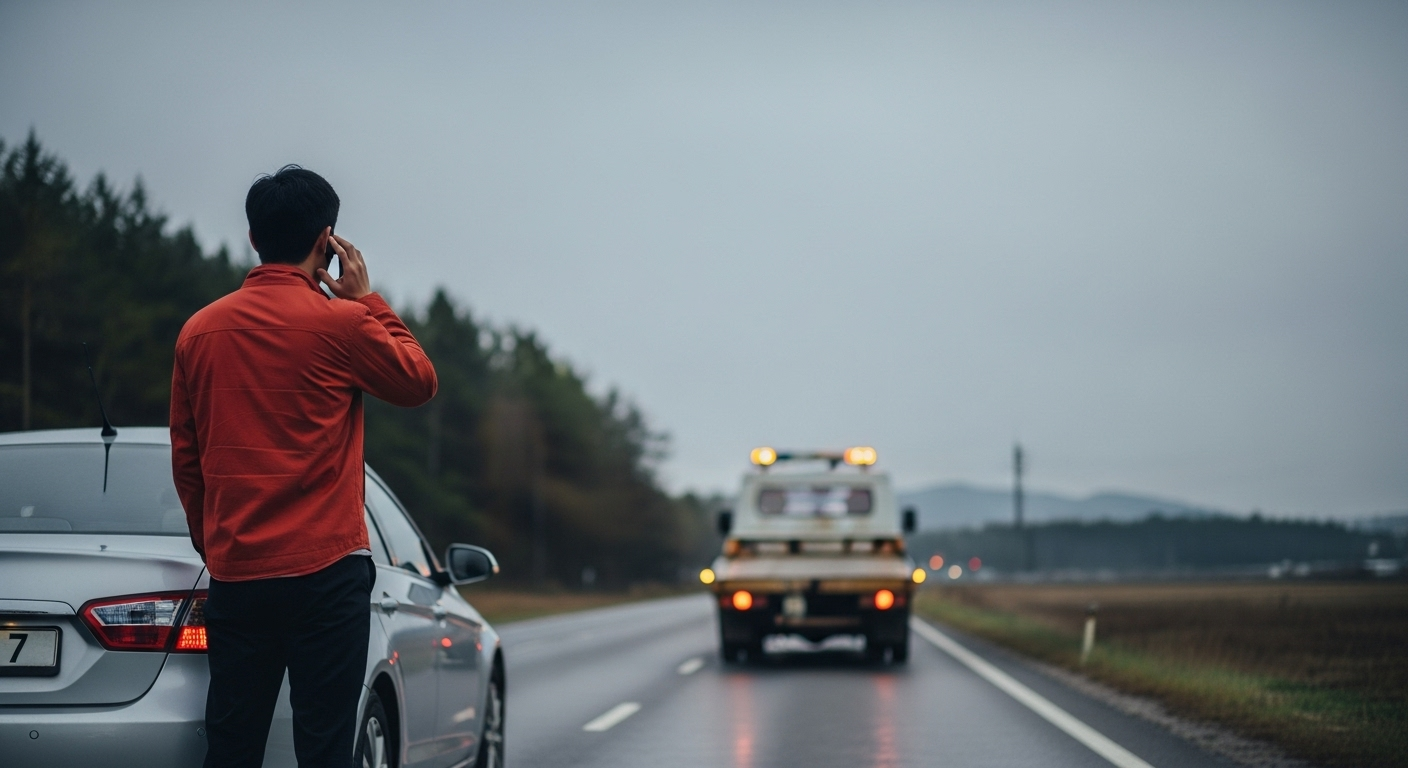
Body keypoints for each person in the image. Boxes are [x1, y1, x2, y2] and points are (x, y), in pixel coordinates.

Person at [170, 165, 438, 767]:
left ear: (252, 238)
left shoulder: (199, 333)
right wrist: (367, 299)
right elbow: (419, 380)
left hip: (238, 575)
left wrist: (215, 544)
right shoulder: (344, 325)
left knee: (233, 747)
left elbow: (187, 459)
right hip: (327, 578)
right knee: (324, 749)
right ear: (328, 242)